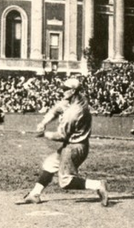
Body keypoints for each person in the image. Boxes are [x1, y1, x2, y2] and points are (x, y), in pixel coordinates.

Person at [16, 78, 109, 206]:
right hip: (74, 145)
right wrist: (43, 123)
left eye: (65, 89)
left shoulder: (74, 112)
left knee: (65, 182)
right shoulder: (77, 100)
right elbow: (56, 109)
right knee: (49, 164)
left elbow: (61, 136)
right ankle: (34, 194)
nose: (62, 91)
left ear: (73, 91)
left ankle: (98, 185)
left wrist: (44, 134)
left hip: (74, 148)